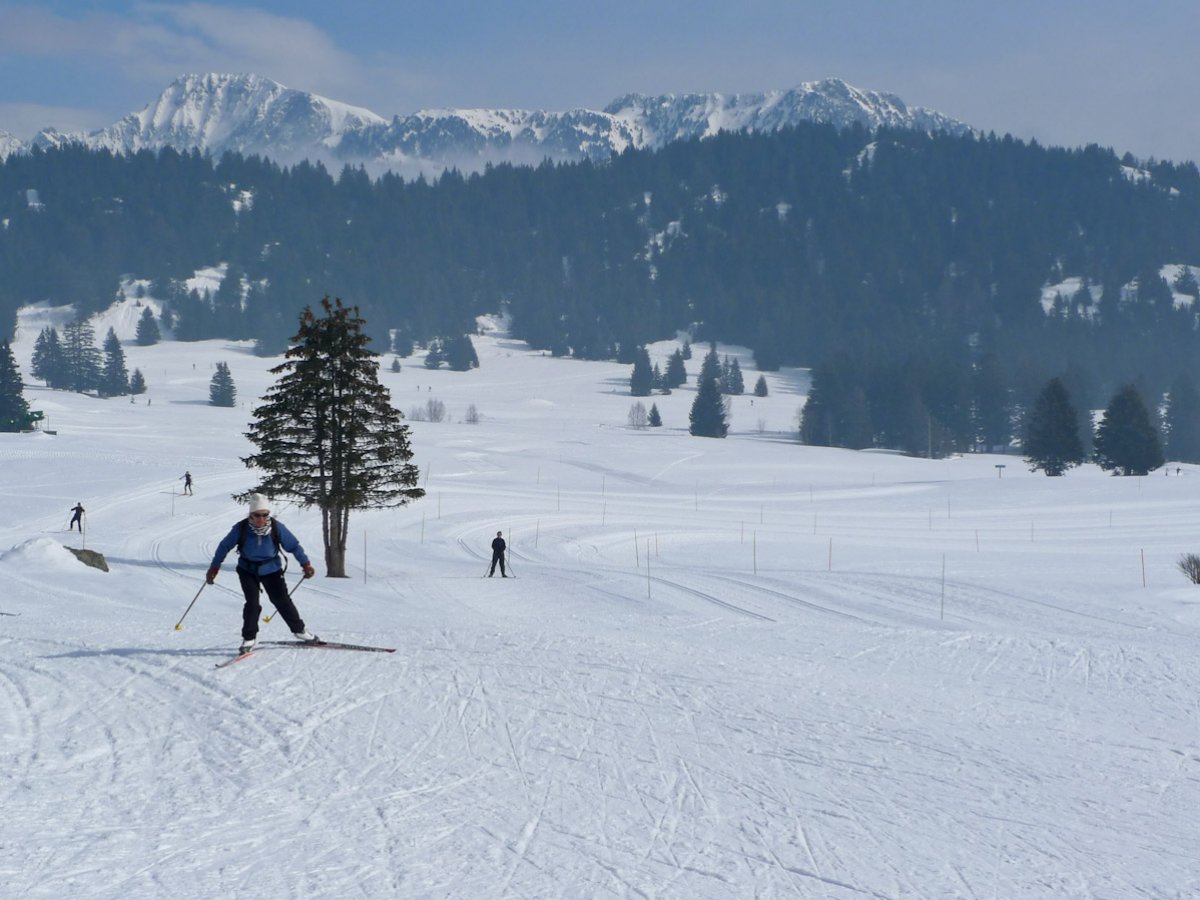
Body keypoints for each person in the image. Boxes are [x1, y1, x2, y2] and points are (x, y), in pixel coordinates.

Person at [206, 494, 318, 653]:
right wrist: (214, 568)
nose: (262, 519)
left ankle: (300, 631)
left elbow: (293, 546)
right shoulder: (241, 528)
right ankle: (249, 638)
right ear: (251, 515)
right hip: (247, 570)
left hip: (272, 569)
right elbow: (224, 546)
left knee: (282, 600)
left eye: (265, 515)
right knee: (252, 603)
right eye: (257, 515)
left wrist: (305, 564)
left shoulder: (277, 528)